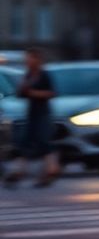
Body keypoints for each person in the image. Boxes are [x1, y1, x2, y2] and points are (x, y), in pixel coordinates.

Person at [4, 47, 59, 188]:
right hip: (31, 113)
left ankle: (51, 169)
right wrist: (24, 87)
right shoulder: (28, 75)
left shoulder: (44, 75)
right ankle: (19, 170)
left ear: (37, 59)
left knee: (43, 141)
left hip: (43, 113)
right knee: (25, 141)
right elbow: (20, 93)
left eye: (30, 58)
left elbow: (51, 93)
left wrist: (33, 93)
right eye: (26, 59)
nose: (27, 61)